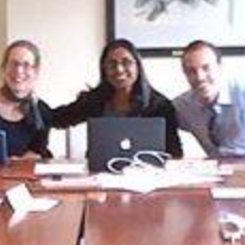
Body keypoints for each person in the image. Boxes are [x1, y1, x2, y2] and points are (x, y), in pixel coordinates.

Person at [46, 38, 183, 158]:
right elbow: (56, 119)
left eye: (126, 62)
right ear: (104, 70)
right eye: (112, 64)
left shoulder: (159, 105)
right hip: (99, 171)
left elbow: (175, 152)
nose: (119, 69)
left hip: (145, 172)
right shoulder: (95, 100)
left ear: (138, 66)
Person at [171, 40, 245, 160]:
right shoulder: (182, 106)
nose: (200, 77)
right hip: (214, 167)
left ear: (220, 67)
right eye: (191, 71)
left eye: (206, 68)